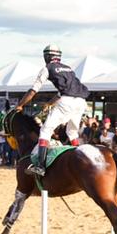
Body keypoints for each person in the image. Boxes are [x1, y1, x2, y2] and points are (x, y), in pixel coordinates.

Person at [16, 45, 90, 182]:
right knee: (72, 132)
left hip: (66, 101)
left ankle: (40, 166)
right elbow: (62, 92)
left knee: (45, 131)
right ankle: (81, 160)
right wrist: (50, 104)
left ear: (46, 56)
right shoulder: (68, 68)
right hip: (81, 101)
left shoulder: (47, 68)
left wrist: (20, 105)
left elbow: (33, 91)